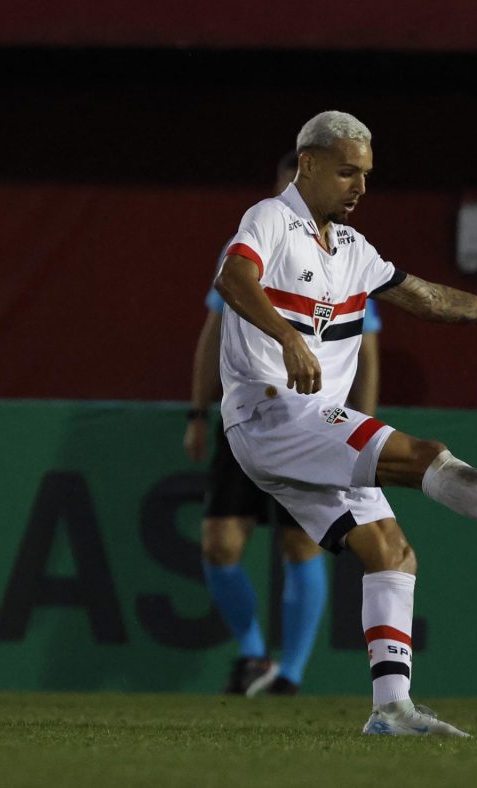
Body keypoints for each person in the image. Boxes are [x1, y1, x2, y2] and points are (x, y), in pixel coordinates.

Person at [214, 110, 477, 737]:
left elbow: (433, 299)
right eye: (347, 172)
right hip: (272, 413)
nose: (360, 188)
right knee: (424, 455)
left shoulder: (353, 250)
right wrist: (287, 338)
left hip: (301, 424)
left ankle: (391, 709)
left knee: (393, 553)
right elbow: (233, 277)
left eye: (367, 176)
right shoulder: (271, 219)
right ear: (308, 164)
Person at [184, 151, 383, 697]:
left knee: (302, 546)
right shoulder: (248, 247)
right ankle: (253, 654)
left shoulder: (346, 258)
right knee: (220, 544)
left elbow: (367, 348)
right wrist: (197, 411)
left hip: (314, 420)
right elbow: (212, 332)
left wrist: (359, 423)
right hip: (249, 411)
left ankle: (289, 674)